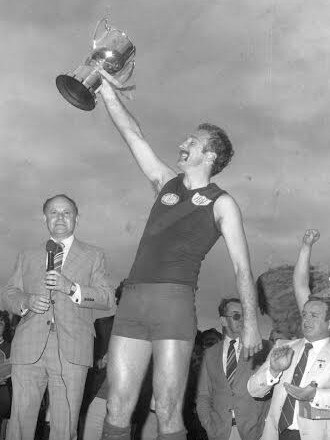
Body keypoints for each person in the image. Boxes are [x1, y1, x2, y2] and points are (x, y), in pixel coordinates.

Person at [99, 77, 262, 440]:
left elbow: (242, 268)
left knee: (169, 411)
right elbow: (133, 134)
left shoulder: (223, 203)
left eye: (192, 142)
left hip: (174, 306)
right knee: (116, 407)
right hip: (133, 302)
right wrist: (107, 90)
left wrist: (250, 323)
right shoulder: (164, 183)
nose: (182, 144)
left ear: (210, 156)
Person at [2, 194, 114, 440]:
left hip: (72, 348)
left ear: (76, 217)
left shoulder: (94, 255)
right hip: (28, 347)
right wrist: (26, 301)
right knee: (19, 424)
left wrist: (71, 288)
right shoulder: (27, 254)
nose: (60, 217)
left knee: (65, 428)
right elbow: (8, 293)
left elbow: (107, 298)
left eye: (66, 212)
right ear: (45, 218)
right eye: (54, 212)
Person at [247, 229, 330, 440]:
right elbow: (300, 285)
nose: (306, 320)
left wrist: (318, 396)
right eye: (305, 314)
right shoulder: (285, 347)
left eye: (313, 315)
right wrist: (306, 248)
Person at [197, 298, 271, 440]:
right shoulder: (210, 354)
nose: (242, 320)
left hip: (254, 431)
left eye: (245, 315)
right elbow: (203, 395)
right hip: (220, 432)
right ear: (223, 321)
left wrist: (264, 424)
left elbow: (271, 390)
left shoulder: (263, 348)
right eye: (236, 316)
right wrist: (208, 423)